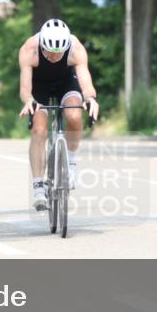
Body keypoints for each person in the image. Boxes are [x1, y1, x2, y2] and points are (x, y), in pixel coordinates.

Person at [18, 18, 100, 211]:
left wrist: (90, 98)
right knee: (39, 131)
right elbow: (25, 88)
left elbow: (85, 80)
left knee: (74, 115)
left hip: (66, 82)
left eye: (59, 53)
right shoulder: (29, 49)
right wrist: (29, 100)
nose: (55, 57)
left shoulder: (75, 48)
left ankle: (71, 162)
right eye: (50, 53)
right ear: (42, 46)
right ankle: (38, 185)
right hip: (39, 86)